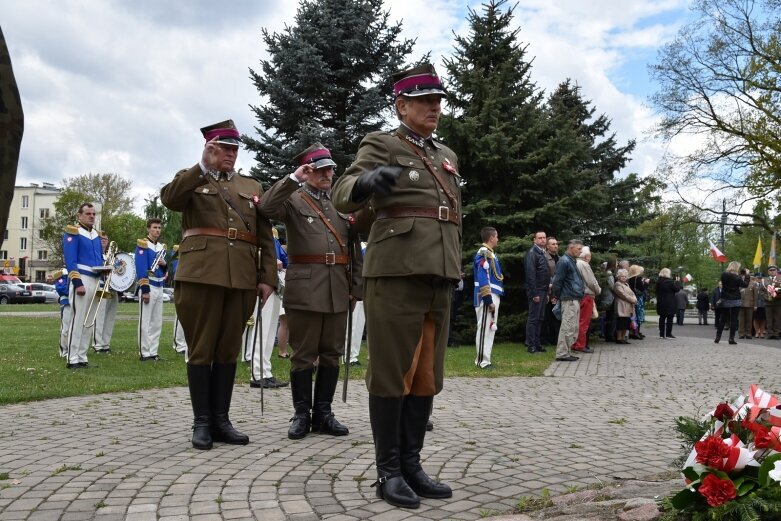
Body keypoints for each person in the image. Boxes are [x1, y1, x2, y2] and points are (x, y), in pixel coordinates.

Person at [332, 63, 458, 509]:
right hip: (394, 273)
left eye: (438, 100)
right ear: (402, 105)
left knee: (425, 376)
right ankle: (388, 471)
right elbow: (342, 191)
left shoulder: (446, 155)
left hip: (438, 276)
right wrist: (367, 181)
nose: (434, 108)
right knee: (392, 374)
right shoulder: (382, 143)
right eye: (425, 101)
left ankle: (412, 463)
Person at [160, 119, 277, 450]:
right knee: (201, 348)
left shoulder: (251, 187)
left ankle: (221, 420)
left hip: (240, 277)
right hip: (200, 275)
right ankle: (202, 422)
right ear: (209, 149)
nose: (230, 154)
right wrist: (201, 167)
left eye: (234, 149)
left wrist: (267, 277)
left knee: (227, 349)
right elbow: (170, 199)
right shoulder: (191, 180)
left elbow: (264, 235)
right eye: (223, 148)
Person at [259, 142, 361, 440]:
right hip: (305, 288)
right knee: (303, 354)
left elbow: (353, 248)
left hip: (337, 288)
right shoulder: (294, 199)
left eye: (330, 168)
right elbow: (265, 208)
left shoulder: (339, 205)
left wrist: (356, 287)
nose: (328, 173)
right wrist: (293, 178)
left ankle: (324, 413)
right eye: (321, 169)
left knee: (331, 354)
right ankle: (302, 414)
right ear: (309, 171)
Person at [62, 203, 104, 369]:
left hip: (95, 279)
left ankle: (82, 356)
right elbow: (70, 261)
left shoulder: (96, 234)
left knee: (89, 321)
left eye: (94, 214)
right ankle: (72, 358)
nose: (92, 216)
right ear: (79, 215)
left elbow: (99, 259)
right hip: (82, 279)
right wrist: (77, 282)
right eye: (88, 213)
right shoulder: (73, 232)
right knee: (78, 319)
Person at [248, 229, 289, 389]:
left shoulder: (271, 236)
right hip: (263, 280)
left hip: (274, 280)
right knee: (262, 328)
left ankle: (265, 371)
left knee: (270, 329)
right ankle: (257, 372)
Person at [134, 218, 167, 362]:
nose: (157, 230)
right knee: (145, 320)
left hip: (160, 285)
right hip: (149, 285)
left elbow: (165, 270)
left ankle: (153, 351)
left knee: (157, 321)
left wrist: (165, 264)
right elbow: (141, 268)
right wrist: (145, 289)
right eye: (154, 227)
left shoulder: (161, 247)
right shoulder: (143, 245)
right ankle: (144, 352)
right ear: (148, 229)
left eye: (159, 228)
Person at [473, 227, 504, 368]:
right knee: (485, 327)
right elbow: (482, 276)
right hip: (487, 295)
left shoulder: (490, 253)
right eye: (496, 236)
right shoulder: (484, 252)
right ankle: (482, 361)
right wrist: (488, 299)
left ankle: (487, 360)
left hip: (493, 293)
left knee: (490, 328)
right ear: (491, 238)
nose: (498, 239)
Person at [552, 239, 584, 362]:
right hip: (568, 298)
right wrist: (557, 295)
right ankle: (562, 353)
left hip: (573, 297)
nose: (580, 251)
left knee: (573, 327)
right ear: (571, 248)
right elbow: (557, 281)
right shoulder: (564, 261)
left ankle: (566, 351)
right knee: (568, 326)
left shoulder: (570, 261)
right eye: (578, 249)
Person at [92, 234, 118, 354]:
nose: (103, 241)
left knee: (110, 317)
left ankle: (105, 343)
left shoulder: (111, 256)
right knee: (100, 316)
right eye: (101, 239)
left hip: (112, 288)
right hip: (100, 286)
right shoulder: (95, 254)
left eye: (105, 239)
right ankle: (97, 344)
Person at [572, 246, 600, 353]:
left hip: (578, 295)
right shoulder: (584, 264)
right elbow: (591, 282)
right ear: (587, 256)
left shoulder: (574, 263)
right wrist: (598, 290)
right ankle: (580, 345)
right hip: (586, 295)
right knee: (584, 322)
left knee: (577, 321)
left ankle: (575, 343)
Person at [524, 231, 547, 354]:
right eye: (540, 238)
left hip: (543, 290)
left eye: (544, 237)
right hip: (536, 290)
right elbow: (530, 275)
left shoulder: (542, 252)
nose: (543, 240)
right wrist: (534, 294)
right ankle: (531, 345)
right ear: (534, 240)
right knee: (533, 318)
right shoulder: (532, 253)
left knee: (540, 318)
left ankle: (537, 344)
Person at [716, 261, 749, 344]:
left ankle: (718, 337)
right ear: (737, 268)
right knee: (733, 320)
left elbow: (727, 277)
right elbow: (745, 285)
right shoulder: (737, 278)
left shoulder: (723, 275)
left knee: (723, 319)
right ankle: (731, 338)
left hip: (725, 299)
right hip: (735, 300)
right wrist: (747, 275)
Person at [348, 241, 368, 365]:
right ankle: (348, 356)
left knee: (359, 327)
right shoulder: (359, 247)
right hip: (356, 289)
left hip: (364, 290)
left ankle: (354, 356)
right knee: (352, 325)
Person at [541, 237, 560, 346]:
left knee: (555, 316)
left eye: (556, 244)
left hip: (557, 291)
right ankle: (545, 338)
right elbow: (546, 275)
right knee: (546, 316)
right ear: (547, 246)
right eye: (553, 244)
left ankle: (554, 338)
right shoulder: (544, 257)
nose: (555, 246)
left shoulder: (560, 258)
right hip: (548, 290)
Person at [168, 246, 187, 355]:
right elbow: (176, 269)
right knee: (180, 315)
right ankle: (178, 344)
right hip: (183, 282)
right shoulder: (178, 249)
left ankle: (185, 343)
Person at [612, 268, 637, 344]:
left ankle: (623, 338)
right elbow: (623, 294)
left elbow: (632, 293)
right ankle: (619, 338)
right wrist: (632, 300)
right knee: (621, 323)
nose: (624, 278)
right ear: (618, 277)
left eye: (625, 276)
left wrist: (635, 298)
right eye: (622, 276)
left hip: (628, 306)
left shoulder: (626, 284)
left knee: (626, 323)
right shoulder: (617, 284)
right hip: (621, 305)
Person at [656, 268, 681, 339]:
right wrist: (678, 282)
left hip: (661, 302)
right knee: (670, 318)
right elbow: (677, 289)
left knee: (662, 318)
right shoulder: (670, 282)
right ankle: (668, 334)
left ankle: (661, 334)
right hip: (670, 302)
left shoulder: (658, 282)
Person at [627, 265, 649, 339]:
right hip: (637, 299)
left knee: (634, 316)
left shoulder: (630, 279)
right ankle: (635, 332)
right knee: (637, 316)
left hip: (634, 298)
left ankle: (635, 332)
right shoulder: (636, 279)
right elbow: (643, 289)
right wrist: (646, 283)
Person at [54, 268, 71, 358]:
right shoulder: (63, 273)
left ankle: (73, 349)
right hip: (67, 302)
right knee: (66, 328)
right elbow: (60, 288)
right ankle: (64, 351)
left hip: (78, 302)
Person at [761, 266, 781, 339]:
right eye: (770, 270)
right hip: (768, 302)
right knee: (769, 318)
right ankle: (770, 333)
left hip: (778, 302)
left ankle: (776, 333)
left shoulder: (780, 278)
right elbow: (761, 291)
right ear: (768, 272)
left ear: (776, 271)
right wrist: (766, 297)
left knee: (777, 318)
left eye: (774, 270)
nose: (772, 271)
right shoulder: (764, 280)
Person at [738, 271, 757, 339]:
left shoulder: (753, 284)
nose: (744, 276)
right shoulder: (739, 283)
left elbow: (755, 295)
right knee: (741, 320)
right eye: (743, 275)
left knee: (749, 320)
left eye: (745, 275)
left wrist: (755, 305)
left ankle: (748, 333)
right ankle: (741, 333)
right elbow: (736, 294)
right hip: (741, 304)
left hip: (750, 304)